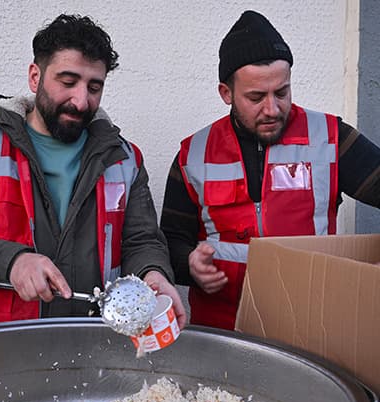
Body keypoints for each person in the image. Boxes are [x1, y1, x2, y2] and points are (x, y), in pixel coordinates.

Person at [0, 13, 186, 331]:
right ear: (34, 77)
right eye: (67, 82)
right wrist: (11, 262)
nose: (81, 101)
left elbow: (141, 242)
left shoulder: (124, 158)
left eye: (94, 87)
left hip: (96, 350)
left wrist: (153, 275)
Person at [160, 10, 380, 330]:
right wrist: (189, 265)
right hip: (223, 330)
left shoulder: (330, 137)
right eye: (256, 97)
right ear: (226, 93)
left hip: (309, 326)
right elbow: (170, 240)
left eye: (282, 92)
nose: (272, 109)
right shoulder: (193, 153)